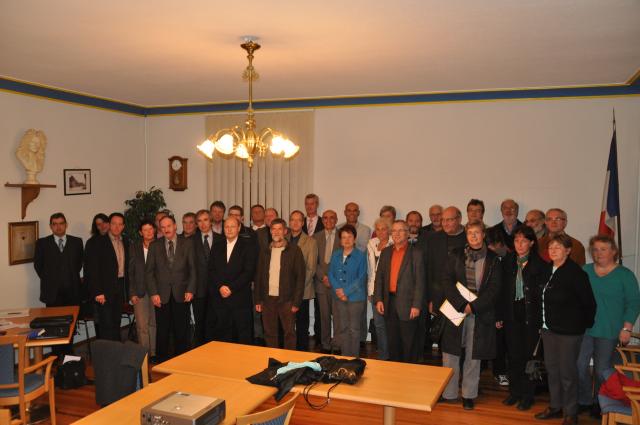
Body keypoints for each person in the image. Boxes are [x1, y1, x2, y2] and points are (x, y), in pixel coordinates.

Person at [534, 234, 596, 425]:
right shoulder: (546, 269)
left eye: (558, 247)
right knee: (552, 370)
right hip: (548, 330)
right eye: (551, 247)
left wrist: (580, 325)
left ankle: (571, 412)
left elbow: (589, 304)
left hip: (569, 333)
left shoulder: (576, 273)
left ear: (568, 251)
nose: (553, 250)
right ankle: (555, 406)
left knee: (567, 373)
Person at [440, 222, 502, 410]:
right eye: (470, 233)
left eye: (477, 232)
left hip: (479, 313)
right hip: (456, 310)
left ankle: (468, 394)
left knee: (473, 355)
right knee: (450, 353)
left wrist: (473, 306)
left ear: (483, 235)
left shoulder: (493, 259)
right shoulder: (456, 254)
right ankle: (449, 393)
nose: (473, 236)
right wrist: (461, 304)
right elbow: (446, 280)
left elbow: (494, 289)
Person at [577, 235, 640, 417]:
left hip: (610, 329)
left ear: (613, 251)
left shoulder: (625, 275)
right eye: (595, 249)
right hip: (585, 328)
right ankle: (584, 400)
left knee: (601, 369)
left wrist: (627, 328)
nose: (599, 253)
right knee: (579, 365)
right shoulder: (585, 270)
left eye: (603, 249)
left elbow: (633, 303)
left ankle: (599, 401)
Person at [500, 225, 547, 411]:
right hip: (511, 314)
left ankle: (528, 396)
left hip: (531, 316)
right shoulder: (507, 262)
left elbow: (543, 296)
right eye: (516, 240)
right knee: (513, 356)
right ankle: (514, 392)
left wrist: (542, 321)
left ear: (532, 243)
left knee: (529, 357)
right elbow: (501, 291)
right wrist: (499, 316)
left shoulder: (541, 265)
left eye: (524, 241)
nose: (519, 244)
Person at [145, 215, 196, 360]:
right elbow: (149, 272)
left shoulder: (187, 243)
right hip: (161, 295)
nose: (166, 229)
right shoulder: (154, 246)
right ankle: (162, 360)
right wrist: (153, 293)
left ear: (175, 226)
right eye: (163, 227)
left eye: (169, 226)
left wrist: (190, 289)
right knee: (163, 330)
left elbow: (193, 269)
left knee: (182, 330)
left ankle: (182, 360)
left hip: (182, 293)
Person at [374, 220, 425, 363]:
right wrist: (378, 299)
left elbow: (420, 282)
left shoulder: (416, 253)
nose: (396, 233)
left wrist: (416, 305)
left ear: (407, 233)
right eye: (394, 231)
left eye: (400, 230)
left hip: (408, 305)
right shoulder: (385, 252)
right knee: (393, 342)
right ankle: (396, 372)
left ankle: (409, 372)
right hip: (389, 302)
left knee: (409, 344)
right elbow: (379, 278)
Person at [254, 219, 305, 349]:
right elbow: (258, 276)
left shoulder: (294, 250)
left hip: (287, 300)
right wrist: (257, 300)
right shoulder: (265, 251)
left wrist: (296, 302)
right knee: (269, 333)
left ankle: (289, 359)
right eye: (274, 229)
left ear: (285, 231)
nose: (276, 232)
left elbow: (300, 278)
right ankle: (273, 358)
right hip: (267, 299)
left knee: (289, 333)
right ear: (270, 231)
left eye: (279, 229)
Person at [207, 216, 257, 344]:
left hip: (240, 298)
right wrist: (220, 287)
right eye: (226, 227)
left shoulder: (248, 246)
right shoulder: (217, 246)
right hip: (220, 298)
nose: (229, 229)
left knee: (243, 335)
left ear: (239, 228)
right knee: (223, 334)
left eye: (233, 226)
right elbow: (211, 270)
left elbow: (249, 272)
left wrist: (231, 288)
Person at [88, 213, 129, 341]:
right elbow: (92, 269)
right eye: (114, 223)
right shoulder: (97, 242)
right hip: (104, 290)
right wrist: (97, 291)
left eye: (120, 224)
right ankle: (109, 352)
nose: (117, 227)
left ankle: (116, 349)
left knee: (117, 321)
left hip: (120, 286)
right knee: (106, 323)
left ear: (123, 226)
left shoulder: (126, 241)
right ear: (109, 225)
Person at [329, 224, 368, 357]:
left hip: (356, 298)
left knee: (354, 329)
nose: (346, 240)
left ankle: (354, 358)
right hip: (339, 298)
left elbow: (361, 278)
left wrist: (345, 292)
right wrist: (339, 291)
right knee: (343, 328)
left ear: (355, 239)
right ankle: (345, 356)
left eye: (349, 237)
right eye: (343, 237)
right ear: (340, 240)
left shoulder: (361, 256)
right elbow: (331, 274)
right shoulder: (335, 255)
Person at [34, 212, 84, 308]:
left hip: (73, 291)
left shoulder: (77, 242)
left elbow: (79, 263)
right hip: (52, 292)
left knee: (73, 316)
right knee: (53, 317)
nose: (58, 227)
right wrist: (49, 279)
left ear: (66, 225)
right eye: (55, 224)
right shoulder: (42, 243)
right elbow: (38, 265)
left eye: (61, 223)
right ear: (50, 226)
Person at [425, 206, 467, 312]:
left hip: (463, 295)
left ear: (459, 219)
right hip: (439, 296)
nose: (445, 223)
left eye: (449, 220)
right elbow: (430, 270)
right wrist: (430, 298)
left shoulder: (468, 237)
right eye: (443, 220)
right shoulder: (434, 239)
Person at [287, 210, 318, 351]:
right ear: (289, 222)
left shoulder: (310, 242)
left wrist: (297, 288)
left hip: (303, 291)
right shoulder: (283, 239)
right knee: (286, 324)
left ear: (303, 222)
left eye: (298, 220)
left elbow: (311, 269)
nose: (295, 223)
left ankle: (301, 352)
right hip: (285, 292)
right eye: (292, 220)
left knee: (301, 324)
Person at [314, 210, 342, 353]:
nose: (328, 220)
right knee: (324, 316)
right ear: (322, 220)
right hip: (321, 283)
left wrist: (332, 278)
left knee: (338, 317)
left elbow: (345, 259)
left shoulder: (343, 236)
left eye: (332, 218)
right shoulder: (315, 237)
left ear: (336, 220)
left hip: (338, 283)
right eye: (325, 218)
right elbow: (313, 261)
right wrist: (323, 277)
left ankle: (337, 345)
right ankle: (325, 344)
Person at [128, 220, 157, 359]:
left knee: (154, 323)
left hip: (157, 291)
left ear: (155, 230)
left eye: (150, 229)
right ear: (140, 232)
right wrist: (132, 293)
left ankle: (154, 352)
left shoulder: (160, 245)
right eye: (145, 230)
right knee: (141, 325)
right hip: (140, 291)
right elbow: (130, 272)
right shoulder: (134, 247)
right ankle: (144, 354)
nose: (148, 232)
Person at [192, 209, 222, 346]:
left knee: (216, 321)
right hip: (198, 288)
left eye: (205, 220)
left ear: (211, 221)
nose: (203, 224)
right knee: (200, 322)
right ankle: (200, 349)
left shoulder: (221, 239)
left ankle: (215, 348)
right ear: (196, 224)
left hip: (217, 288)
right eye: (199, 221)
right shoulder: (190, 241)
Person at [367, 217, 393, 360]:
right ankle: (383, 355)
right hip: (374, 290)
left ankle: (392, 354)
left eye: (384, 229)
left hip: (390, 291)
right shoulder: (371, 243)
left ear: (389, 230)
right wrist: (369, 290)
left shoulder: (394, 243)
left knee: (390, 324)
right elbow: (370, 270)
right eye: (378, 229)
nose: (381, 232)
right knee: (379, 324)